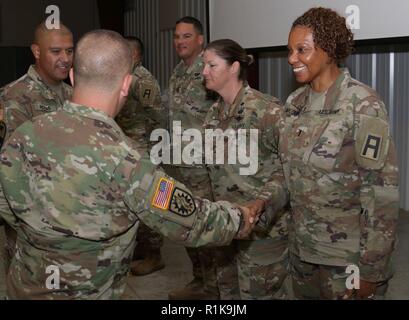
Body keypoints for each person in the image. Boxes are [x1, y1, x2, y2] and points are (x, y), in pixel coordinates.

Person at [0, 29, 256, 300]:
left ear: (73, 77)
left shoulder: (24, 134)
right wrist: (240, 217)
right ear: (126, 85)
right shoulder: (127, 162)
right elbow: (193, 221)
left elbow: (6, 206)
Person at [284, 7, 399, 299]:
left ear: (329, 49)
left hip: (345, 259)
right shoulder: (295, 103)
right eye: (290, 50)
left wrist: (371, 270)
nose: (291, 59)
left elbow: (381, 192)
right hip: (302, 253)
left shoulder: (362, 104)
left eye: (302, 50)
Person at [202, 39, 290, 299]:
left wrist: (262, 203)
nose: (204, 72)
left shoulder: (267, 112)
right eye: (203, 66)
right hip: (225, 227)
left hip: (262, 232)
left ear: (234, 67)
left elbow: (288, 171)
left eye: (211, 65)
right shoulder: (212, 116)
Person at [0, 20, 74, 272]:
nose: (65, 58)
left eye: (69, 50)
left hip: (71, 221)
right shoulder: (14, 97)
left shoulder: (75, 96)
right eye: (56, 51)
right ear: (36, 51)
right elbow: (11, 172)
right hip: (31, 227)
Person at [165, 16, 225, 300]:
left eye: (186, 36)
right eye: (177, 36)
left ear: (200, 40)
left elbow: (225, 111)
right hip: (178, 165)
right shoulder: (178, 71)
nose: (180, 42)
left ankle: (214, 288)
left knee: (205, 227)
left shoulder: (210, 70)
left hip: (203, 167)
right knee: (184, 224)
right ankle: (199, 280)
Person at [114, 36, 165, 276]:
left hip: (143, 146)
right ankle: (140, 248)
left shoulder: (143, 80)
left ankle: (154, 254)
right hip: (126, 145)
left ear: (137, 56)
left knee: (148, 198)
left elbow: (156, 115)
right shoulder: (121, 75)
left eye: (127, 52)